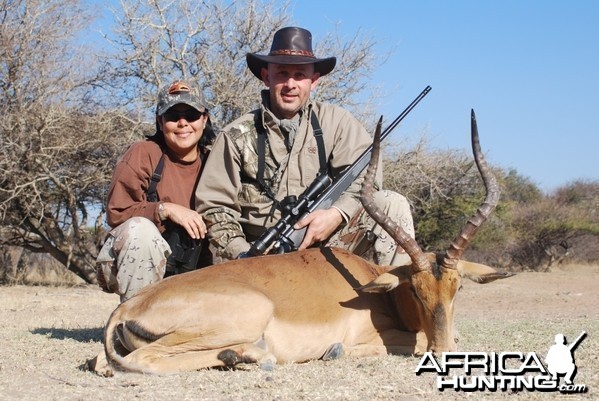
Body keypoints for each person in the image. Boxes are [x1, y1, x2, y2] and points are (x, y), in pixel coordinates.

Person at [196, 26, 414, 265]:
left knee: (392, 203)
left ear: (314, 81)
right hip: (260, 256)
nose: (291, 84)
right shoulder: (235, 135)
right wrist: (244, 255)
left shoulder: (338, 123)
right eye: (282, 73)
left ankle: (401, 298)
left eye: (300, 75)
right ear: (267, 77)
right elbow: (214, 206)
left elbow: (367, 180)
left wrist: (336, 214)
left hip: (326, 243)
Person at [96, 80, 215, 302]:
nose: (183, 123)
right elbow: (117, 213)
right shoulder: (144, 153)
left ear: (204, 119)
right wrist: (164, 209)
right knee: (140, 231)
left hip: (199, 272)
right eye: (173, 116)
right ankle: (135, 321)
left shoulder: (217, 160)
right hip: (145, 267)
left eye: (191, 115)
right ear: (160, 121)